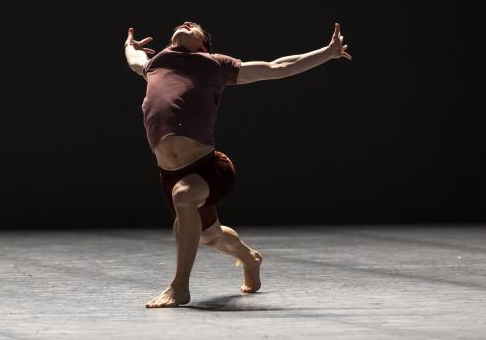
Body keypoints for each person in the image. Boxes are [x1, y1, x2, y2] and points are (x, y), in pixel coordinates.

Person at [124, 21, 351, 308]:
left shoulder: (214, 65)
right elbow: (135, 60)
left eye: (195, 27)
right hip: (170, 173)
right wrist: (129, 46)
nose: (187, 24)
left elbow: (277, 67)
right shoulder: (157, 63)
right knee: (210, 236)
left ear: (203, 46)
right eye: (183, 24)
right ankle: (249, 258)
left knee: (183, 197)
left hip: (209, 167)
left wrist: (328, 52)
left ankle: (179, 286)